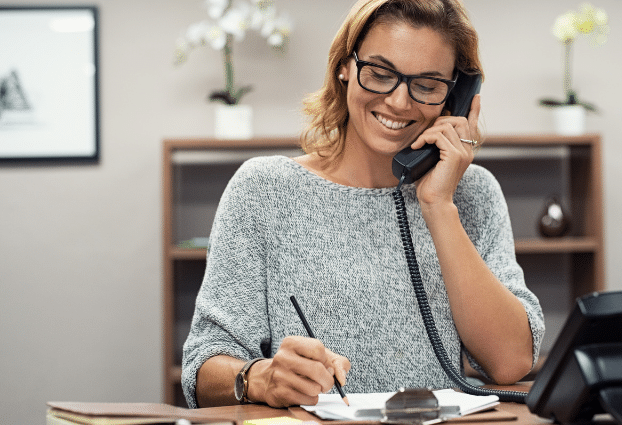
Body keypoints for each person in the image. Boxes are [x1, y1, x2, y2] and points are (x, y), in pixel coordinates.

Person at [182, 0, 544, 409]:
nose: (399, 102)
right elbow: (202, 365)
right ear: (345, 67)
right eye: (380, 73)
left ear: (456, 96)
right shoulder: (264, 189)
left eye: (426, 84)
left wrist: (438, 205)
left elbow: (510, 362)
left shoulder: (472, 193)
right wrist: (258, 378)